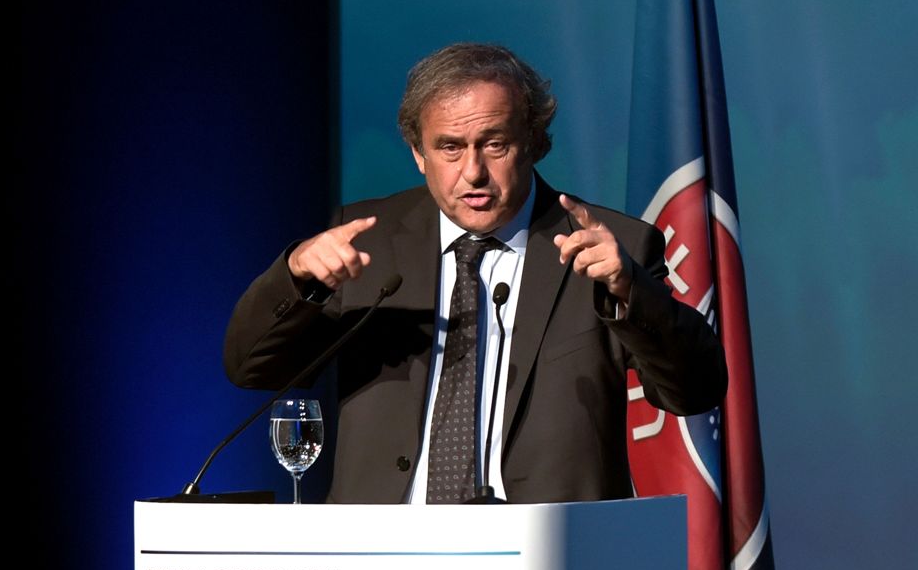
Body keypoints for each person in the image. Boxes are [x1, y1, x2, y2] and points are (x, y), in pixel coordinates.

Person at [224, 43, 726, 504]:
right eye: (449, 148)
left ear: (533, 142)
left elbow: (694, 390)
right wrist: (296, 276)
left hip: (543, 562)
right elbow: (252, 368)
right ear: (419, 154)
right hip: (381, 560)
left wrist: (627, 290)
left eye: (494, 144)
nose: (473, 173)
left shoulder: (607, 248)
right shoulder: (366, 243)